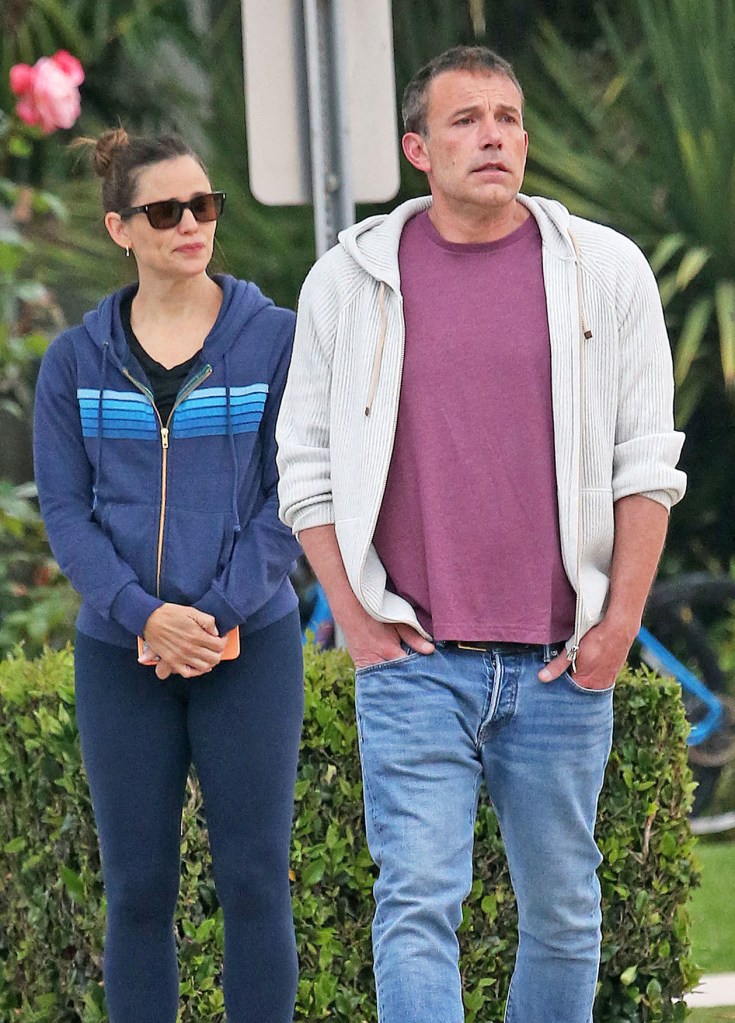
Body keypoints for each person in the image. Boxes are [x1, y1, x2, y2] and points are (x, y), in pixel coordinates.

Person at [276, 45, 686, 1023]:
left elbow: (646, 461)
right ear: (417, 147)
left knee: (563, 911)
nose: (493, 135)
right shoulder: (349, 282)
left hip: (561, 661)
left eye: (507, 117)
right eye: (466, 120)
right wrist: (355, 618)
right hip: (413, 659)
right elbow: (307, 467)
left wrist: (617, 626)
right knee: (416, 904)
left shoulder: (605, 271)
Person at [33, 128, 303, 1023]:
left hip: (249, 645)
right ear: (121, 228)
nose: (191, 222)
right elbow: (66, 513)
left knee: (256, 881)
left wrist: (219, 612)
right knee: (138, 889)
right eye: (165, 210)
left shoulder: (274, 343)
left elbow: (290, 494)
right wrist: (144, 615)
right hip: (122, 654)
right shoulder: (75, 362)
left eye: (204, 204)